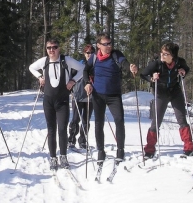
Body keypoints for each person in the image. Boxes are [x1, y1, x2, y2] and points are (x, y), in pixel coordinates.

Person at [29, 39, 84, 171]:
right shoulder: (44, 61)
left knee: (62, 129)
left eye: (54, 47)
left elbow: (82, 69)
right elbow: (31, 67)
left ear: (59, 48)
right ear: (46, 49)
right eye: (49, 48)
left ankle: (63, 156)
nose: (52, 50)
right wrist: (39, 77)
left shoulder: (66, 60)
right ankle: (53, 157)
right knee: (51, 129)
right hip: (48, 101)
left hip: (62, 100)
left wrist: (73, 80)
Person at [83, 33, 138, 164]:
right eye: (105, 44)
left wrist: (130, 67)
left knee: (119, 121)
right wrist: (87, 83)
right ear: (98, 45)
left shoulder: (115, 54)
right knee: (99, 124)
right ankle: (101, 151)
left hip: (114, 95)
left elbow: (124, 63)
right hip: (98, 95)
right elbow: (86, 70)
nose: (108, 46)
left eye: (109, 43)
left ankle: (120, 150)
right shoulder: (95, 57)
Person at [140, 42, 193, 158]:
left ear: (172, 56)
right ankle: (149, 150)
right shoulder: (157, 64)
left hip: (175, 92)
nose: (162, 55)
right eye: (162, 53)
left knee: (182, 119)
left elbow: (186, 69)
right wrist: (151, 78)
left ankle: (189, 147)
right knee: (156, 121)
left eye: (166, 54)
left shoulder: (180, 62)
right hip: (161, 93)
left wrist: (183, 72)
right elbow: (143, 74)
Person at [68, 44, 95, 149]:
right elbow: (70, 77)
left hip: (90, 96)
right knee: (75, 119)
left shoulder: (96, 65)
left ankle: (83, 140)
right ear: (84, 53)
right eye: (87, 53)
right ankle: (71, 139)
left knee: (86, 120)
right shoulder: (79, 64)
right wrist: (70, 90)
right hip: (78, 95)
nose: (90, 55)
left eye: (92, 52)